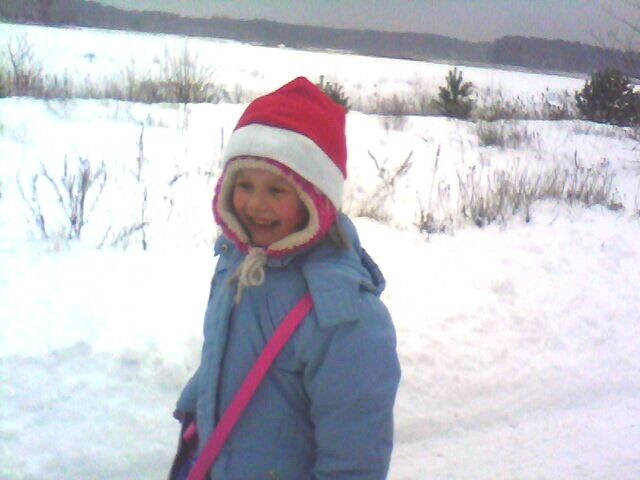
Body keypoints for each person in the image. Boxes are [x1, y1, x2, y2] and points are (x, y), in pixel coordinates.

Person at [170, 76, 401, 480]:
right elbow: (226, 350)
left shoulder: (344, 315)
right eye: (245, 185)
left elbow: (354, 462)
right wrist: (197, 407)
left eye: (277, 191)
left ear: (315, 199)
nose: (255, 204)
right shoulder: (236, 263)